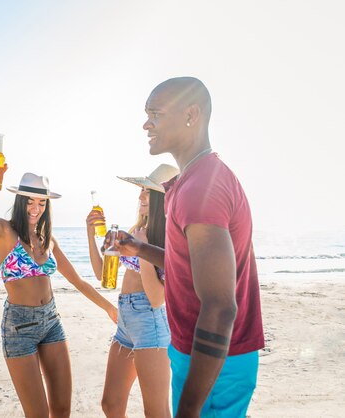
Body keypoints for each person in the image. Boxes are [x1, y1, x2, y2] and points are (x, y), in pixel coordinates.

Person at [114, 77, 264, 418]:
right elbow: (192, 266)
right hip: (199, 354)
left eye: (155, 113)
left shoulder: (201, 189)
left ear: (190, 115)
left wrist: (188, 410)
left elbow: (220, 306)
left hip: (213, 361)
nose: (145, 123)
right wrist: (139, 248)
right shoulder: (192, 181)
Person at [0, 157, 117, 418]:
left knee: (62, 410)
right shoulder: (6, 231)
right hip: (19, 327)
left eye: (41, 202)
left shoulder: (47, 238)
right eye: (29, 201)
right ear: (20, 201)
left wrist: (110, 308)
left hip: (51, 321)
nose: (35, 208)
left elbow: (78, 281)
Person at [86, 164, 178, 418]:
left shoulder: (169, 238)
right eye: (141, 191)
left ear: (163, 198)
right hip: (126, 321)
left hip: (151, 322)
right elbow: (105, 277)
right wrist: (91, 236)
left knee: (156, 412)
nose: (140, 197)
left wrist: (143, 250)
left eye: (147, 192)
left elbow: (158, 299)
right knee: (111, 405)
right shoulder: (138, 231)